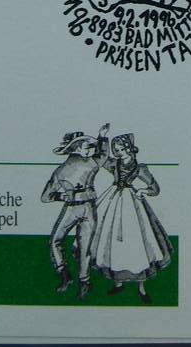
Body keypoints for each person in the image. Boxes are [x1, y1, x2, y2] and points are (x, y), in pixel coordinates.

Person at [91, 133, 172, 304]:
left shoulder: (140, 168)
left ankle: (141, 288)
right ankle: (118, 283)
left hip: (132, 203)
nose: (117, 152)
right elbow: (101, 159)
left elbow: (155, 188)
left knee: (138, 243)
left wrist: (144, 191)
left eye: (120, 149)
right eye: (115, 149)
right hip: (113, 200)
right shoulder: (114, 163)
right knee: (112, 241)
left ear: (128, 148)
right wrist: (102, 139)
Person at [41, 123, 110, 299]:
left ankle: (75, 279)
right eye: (87, 146)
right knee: (73, 245)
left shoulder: (63, 170)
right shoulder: (73, 168)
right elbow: (45, 197)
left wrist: (59, 196)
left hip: (82, 208)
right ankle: (75, 279)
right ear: (76, 147)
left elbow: (46, 196)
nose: (90, 149)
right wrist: (102, 137)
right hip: (79, 208)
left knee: (70, 245)